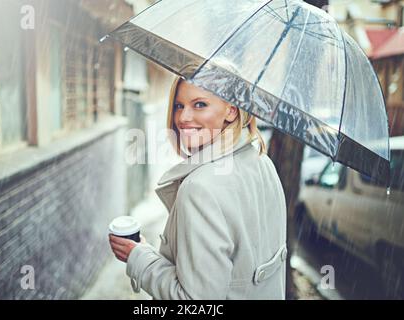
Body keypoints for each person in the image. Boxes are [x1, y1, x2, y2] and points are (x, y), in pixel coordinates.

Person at [109, 64, 287, 300]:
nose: (183, 117)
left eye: (200, 104)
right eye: (178, 106)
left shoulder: (200, 188)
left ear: (231, 111)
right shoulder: (262, 162)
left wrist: (139, 258)